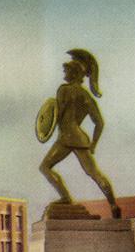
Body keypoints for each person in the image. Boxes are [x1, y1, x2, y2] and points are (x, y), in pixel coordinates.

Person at [39, 49, 121, 218]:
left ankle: (65, 197)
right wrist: (94, 144)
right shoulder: (86, 95)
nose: (64, 72)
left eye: (67, 69)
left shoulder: (64, 90)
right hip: (81, 139)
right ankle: (113, 205)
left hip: (65, 138)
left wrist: (46, 123)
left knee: (45, 167)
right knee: (94, 173)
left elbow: (56, 115)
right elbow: (99, 122)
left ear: (74, 73)